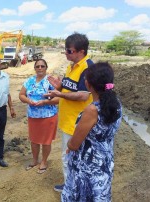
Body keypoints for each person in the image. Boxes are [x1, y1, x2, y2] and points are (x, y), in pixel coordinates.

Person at [61, 62, 122, 201]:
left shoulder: (92, 110)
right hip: (105, 160)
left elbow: (74, 144)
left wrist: (69, 145)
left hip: (87, 166)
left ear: (88, 85)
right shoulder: (116, 103)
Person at [46, 32, 94, 192]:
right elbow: (70, 88)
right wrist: (59, 86)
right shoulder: (71, 66)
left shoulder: (88, 68)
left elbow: (83, 95)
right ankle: (71, 186)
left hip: (77, 123)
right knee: (70, 157)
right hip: (68, 121)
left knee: (70, 157)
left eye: (69, 51)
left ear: (81, 51)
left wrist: (59, 94)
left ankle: (72, 191)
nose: (66, 53)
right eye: (65, 50)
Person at [19, 59, 59, 174]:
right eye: (37, 66)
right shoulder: (29, 81)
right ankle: (35, 160)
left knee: (46, 141)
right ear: (35, 68)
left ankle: (44, 162)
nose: (40, 68)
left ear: (46, 68)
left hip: (48, 115)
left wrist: (44, 102)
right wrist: (28, 100)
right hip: (33, 116)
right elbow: (21, 95)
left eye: (42, 66)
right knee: (34, 140)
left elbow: (59, 99)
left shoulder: (51, 81)